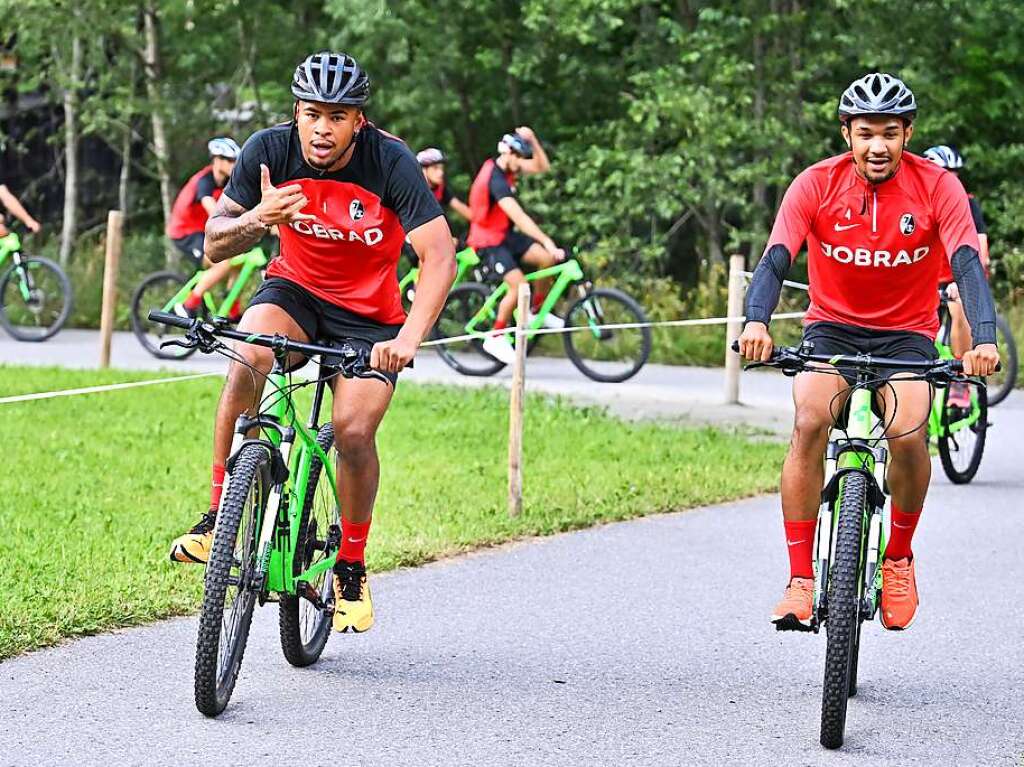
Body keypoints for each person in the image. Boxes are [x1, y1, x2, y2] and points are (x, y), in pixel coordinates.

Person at [168, 51, 456, 635]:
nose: (323, 128)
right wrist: (258, 220)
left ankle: (350, 564)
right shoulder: (267, 151)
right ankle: (218, 513)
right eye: (312, 114)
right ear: (295, 113)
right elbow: (212, 246)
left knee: (352, 432)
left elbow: (439, 257)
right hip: (295, 291)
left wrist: (408, 337)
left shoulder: (390, 163)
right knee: (247, 355)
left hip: (371, 320)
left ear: (359, 121)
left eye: (338, 116)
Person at [738, 73, 999, 632]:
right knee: (809, 419)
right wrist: (755, 323)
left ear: (908, 133)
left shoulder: (937, 187)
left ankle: (899, 559)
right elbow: (776, 257)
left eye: (889, 132)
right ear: (846, 134)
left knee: (908, 432)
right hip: (832, 328)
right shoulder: (814, 183)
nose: (877, 145)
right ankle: (801, 578)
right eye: (865, 133)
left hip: (906, 334)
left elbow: (966, 263)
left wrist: (982, 337)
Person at [466, 129, 564, 364]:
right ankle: (496, 336)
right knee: (519, 287)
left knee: (546, 259)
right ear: (507, 152)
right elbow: (519, 217)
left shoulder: (510, 164)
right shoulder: (495, 179)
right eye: (518, 157)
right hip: (486, 241)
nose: (521, 163)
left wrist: (533, 141)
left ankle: (532, 312)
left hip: (503, 234)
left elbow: (542, 167)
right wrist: (547, 240)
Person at [923, 145, 989, 372]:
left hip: (956, 277)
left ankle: (960, 377)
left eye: (955, 174)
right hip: (925, 278)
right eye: (945, 173)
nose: (951, 180)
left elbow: (980, 245)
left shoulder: (968, 203)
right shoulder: (916, 202)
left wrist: (966, 283)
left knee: (959, 308)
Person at [167, 137, 243, 320]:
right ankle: (188, 304)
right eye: (230, 160)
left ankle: (232, 310)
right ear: (217, 160)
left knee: (238, 262)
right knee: (223, 264)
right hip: (185, 233)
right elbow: (213, 211)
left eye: (235, 160)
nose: (234, 164)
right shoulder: (205, 181)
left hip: (204, 232)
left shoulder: (226, 182)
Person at [416, 147, 471, 224]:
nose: (441, 172)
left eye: (442, 168)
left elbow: (459, 206)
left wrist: (480, 220)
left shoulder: (440, 188)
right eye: (435, 168)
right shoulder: (415, 191)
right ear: (423, 170)